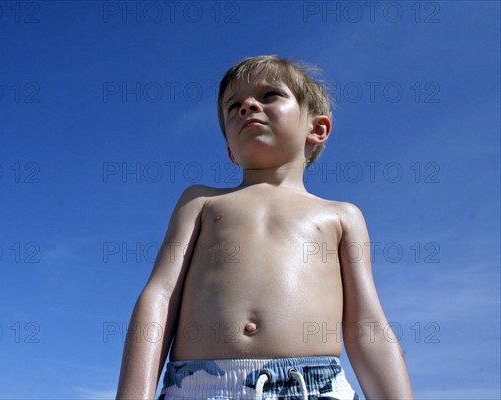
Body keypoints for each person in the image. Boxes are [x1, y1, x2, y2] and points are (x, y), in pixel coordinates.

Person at [116, 55, 413, 399]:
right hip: (200, 386)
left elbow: (367, 325)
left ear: (317, 129)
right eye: (234, 105)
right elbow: (160, 295)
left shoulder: (341, 216)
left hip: (313, 387)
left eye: (269, 95)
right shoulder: (201, 202)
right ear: (231, 151)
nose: (248, 106)